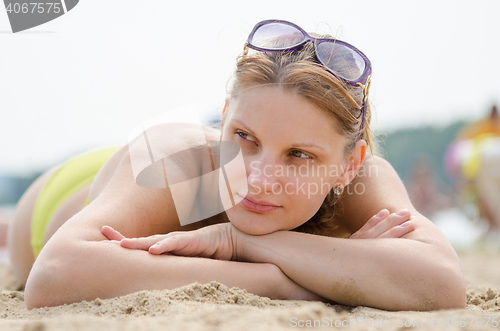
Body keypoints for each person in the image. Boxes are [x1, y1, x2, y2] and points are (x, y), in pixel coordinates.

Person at [8, 19, 465, 311]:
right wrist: (284, 281)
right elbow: (54, 276)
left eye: (299, 154)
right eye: (245, 138)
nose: (259, 178)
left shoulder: (359, 184)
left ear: (348, 165)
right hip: (72, 194)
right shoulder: (192, 162)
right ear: (224, 118)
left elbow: (441, 282)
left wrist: (239, 240)